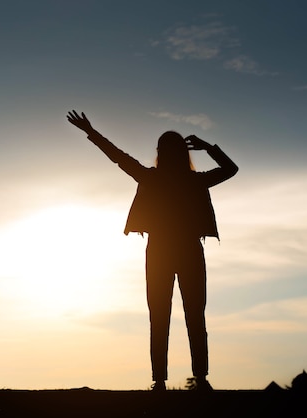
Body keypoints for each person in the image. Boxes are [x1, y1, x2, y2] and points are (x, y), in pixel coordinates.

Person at [67, 110, 238, 392]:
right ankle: (200, 378)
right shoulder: (194, 181)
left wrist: (91, 131)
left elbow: (117, 156)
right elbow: (231, 169)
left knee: (160, 315)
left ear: (160, 152)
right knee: (194, 315)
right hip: (186, 250)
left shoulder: (152, 177)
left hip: (160, 250)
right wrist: (208, 148)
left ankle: (160, 380)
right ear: (185, 153)